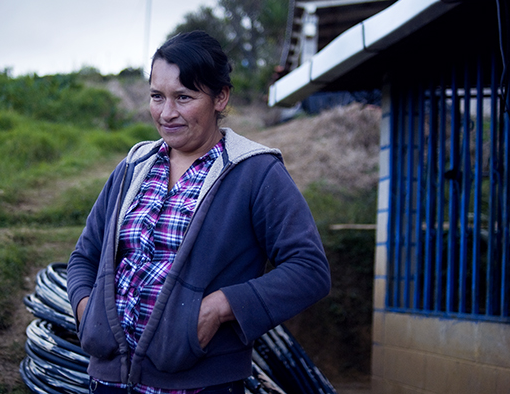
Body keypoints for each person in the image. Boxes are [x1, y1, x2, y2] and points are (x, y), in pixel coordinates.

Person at [67, 30, 331, 394]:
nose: (166, 113)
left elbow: (309, 270)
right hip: (109, 381)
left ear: (220, 97)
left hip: (202, 385)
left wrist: (221, 307)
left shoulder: (253, 172)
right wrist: (87, 311)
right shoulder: (133, 167)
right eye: (157, 97)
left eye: (184, 97)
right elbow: (85, 255)